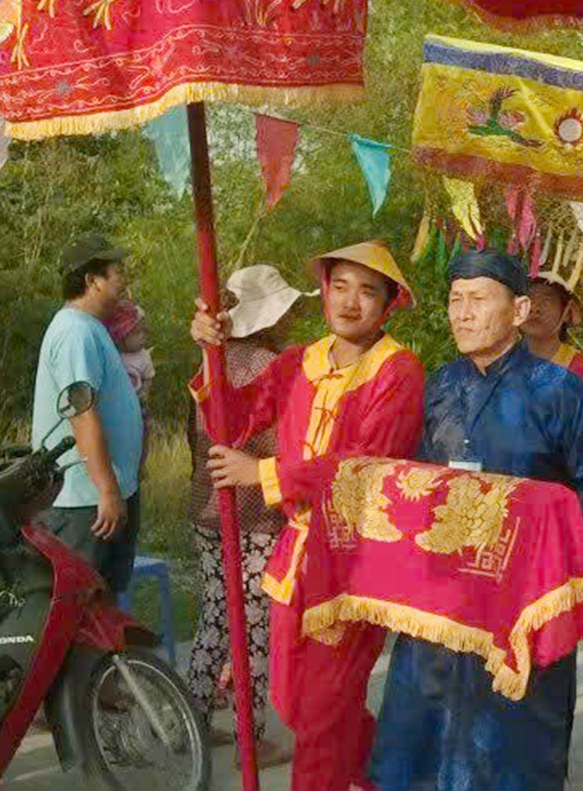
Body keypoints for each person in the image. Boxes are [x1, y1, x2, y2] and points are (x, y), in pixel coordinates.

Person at [369, 248, 583, 791]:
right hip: (443, 602)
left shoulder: (561, 393)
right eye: (455, 300)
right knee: (421, 739)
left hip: (520, 605)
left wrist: (531, 532)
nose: (463, 313)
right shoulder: (439, 387)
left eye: (478, 299)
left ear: (519, 309)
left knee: (515, 749)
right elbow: (417, 476)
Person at [189, 241, 425, 791]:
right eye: (339, 286)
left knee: (322, 716)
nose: (349, 301)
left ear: (388, 304)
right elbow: (233, 421)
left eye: (367, 291)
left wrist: (265, 475)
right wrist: (210, 354)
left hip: (355, 561)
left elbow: (365, 464)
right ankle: (377, 774)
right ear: (323, 291)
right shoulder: (299, 361)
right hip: (293, 557)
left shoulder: (399, 371)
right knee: (297, 704)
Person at [184, 265, 313, 766]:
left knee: (216, 618)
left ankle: (190, 719)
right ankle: (249, 738)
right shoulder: (277, 366)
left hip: (208, 506)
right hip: (256, 510)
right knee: (255, 624)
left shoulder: (212, 361)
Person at [32, 234, 144, 594]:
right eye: (117, 271)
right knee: (80, 608)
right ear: (92, 280)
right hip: (85, 504)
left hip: (99, 497)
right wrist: (107, 490)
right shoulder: (74, 333)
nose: (124, 280)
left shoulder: (91, 327)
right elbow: (82, 416)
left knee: (101, 608)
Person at [523, 272, 583, 393]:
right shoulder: (501, 359)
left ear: (566, 312)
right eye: (529, 299)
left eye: (546, 301)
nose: (534, 308)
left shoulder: (579, 367)